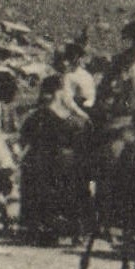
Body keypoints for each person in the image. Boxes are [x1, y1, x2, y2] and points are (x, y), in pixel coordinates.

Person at [18, 73, 92, 243]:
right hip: (68, 160)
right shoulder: (76, 120)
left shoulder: (37, 116)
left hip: (43, 160)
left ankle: (45, 231)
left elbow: (25, 138)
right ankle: (75, 232)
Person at [57, 34, 96, 123]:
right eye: (71, 56)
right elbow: (68, 100)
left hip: (91, 110)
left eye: (79, 56)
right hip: (78, 113)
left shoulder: (87, 75)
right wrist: (82, 115)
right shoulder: (68, 76)